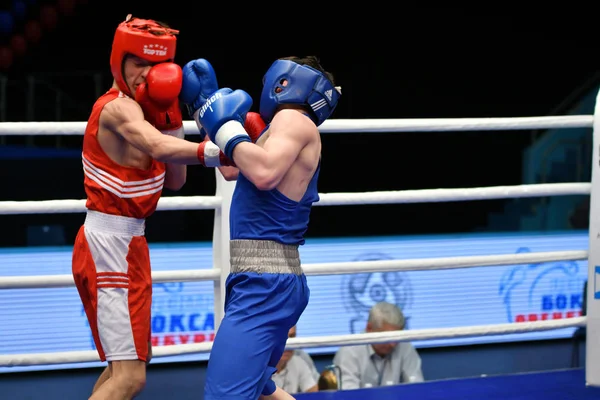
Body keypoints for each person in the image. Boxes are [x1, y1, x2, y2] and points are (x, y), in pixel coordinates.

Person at [71, 15, 263, 400]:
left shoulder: (152, 113)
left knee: (123, 369)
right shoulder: (116, 109)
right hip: (107, 244)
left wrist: (173, 114)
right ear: (119, 60)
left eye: (155, 65)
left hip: (131, 246)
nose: (146, 74)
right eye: (138, 62)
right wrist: (221, 149)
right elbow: (157, 148)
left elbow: (175, 180)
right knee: (130, 377)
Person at [180, 55, 341, 400]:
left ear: (283, 82)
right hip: (265, 280)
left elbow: (264, 173)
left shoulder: (293, 121)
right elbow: (232, 169)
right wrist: (204, 114)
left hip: (264, 286)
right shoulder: (287, 129)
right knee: (262, 389)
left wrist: (225, 126)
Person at [332, 302, 424, 390]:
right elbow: (349, 396)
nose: (393, 344)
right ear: (369, 328)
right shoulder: (348, 352)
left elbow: (416, 388)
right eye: (387, 338)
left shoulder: (405, 346)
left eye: (397, 337)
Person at [272, 326, 319, 395]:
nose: (287, 343)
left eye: (292, 336)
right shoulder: (258, 367)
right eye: (282, 337)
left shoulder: (298, 362)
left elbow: (315, 394)